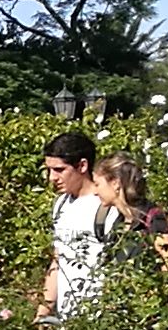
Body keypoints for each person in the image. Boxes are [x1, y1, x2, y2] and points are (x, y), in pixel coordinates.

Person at [38, 131, 122, 320]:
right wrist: (43, 313)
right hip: (69, 322)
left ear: (82, 165)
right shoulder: (61, 204)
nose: (52, 178)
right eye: (49, 170)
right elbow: (58, 260)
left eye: (59, 170)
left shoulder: (108, 207)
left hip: (103, 320)